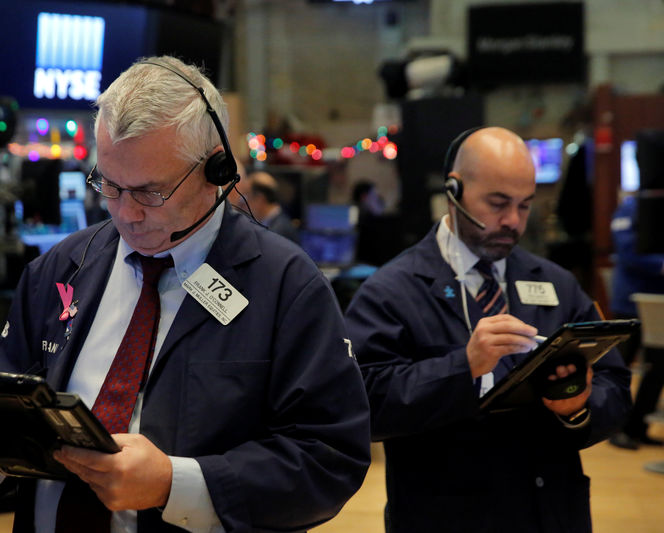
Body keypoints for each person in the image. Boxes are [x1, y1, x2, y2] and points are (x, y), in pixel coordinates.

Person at [0, 56, 371, 533]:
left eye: (150, 192)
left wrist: (176, 485)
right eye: (110, 186)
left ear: (217, 171)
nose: (126, 215)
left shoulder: (286, 286)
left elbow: (328, 459)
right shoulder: (59, 269)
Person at [345, 126, 631, 533]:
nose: (512, 221)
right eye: (498, 204)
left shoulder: (555, 283)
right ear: (454, 190)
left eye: (525, 206)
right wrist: (463, 367)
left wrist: (579, 407)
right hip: (444, 516)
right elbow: (362, 404)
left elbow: (616, 386)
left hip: (552, 513)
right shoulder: (392, 290)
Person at [608, 193, 664, 450]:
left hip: (658, 302)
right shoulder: (632, 207)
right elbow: (627, 250)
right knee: (620, 368)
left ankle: (637, 427)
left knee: (657, 367)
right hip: (629, 301)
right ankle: (614, 427)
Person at [235, 171, 299, 243]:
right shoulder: (275, 223)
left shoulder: (278, 231)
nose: (242, 204)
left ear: (260, 199)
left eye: (246, 197)